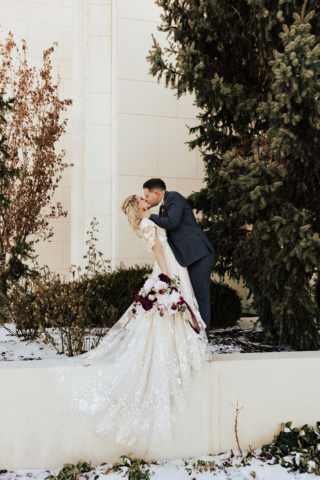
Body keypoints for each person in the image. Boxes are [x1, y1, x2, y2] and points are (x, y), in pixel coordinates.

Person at [51, 193, 210, 448]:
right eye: (141, 197)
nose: (144, 197)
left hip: (172, 264)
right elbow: (158, 248)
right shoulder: (148, 224)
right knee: (170, 312)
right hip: (168, 266)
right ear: (138, 205)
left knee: (174, 312)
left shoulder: (150, 219)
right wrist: (167, 278)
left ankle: (182, 349)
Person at [141, 178, 215, 338]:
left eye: (146, 196)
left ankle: (204, 341)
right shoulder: (163, 207)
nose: (146, 199)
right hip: (190, 257)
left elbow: (172, 223)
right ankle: (197, 339)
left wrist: (150, 216)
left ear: (156, 193)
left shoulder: (174, 198)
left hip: (199, 255)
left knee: (200, 300)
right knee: (194, 299)